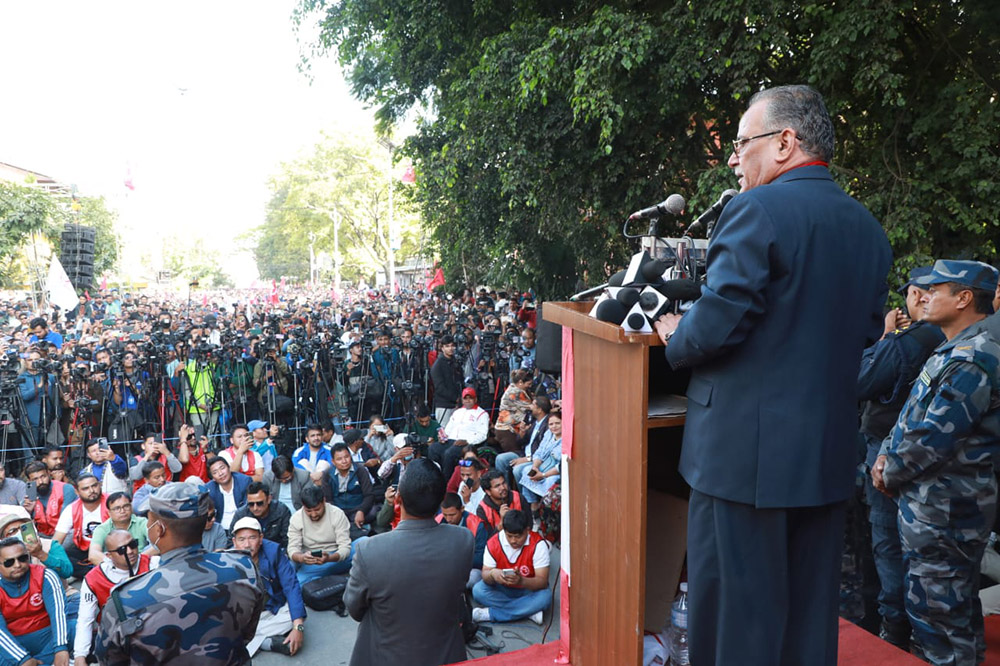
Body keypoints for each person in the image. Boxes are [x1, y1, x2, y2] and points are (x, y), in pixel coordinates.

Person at [652, 85, 892, 666]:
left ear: (785, 142)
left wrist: (674, 333)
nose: (734, 159)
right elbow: (864, 333)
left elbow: (714, 327)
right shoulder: (867, 229)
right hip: (824, 458)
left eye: (741, 143)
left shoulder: (756, 210)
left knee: (736, 622)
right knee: (808, 622)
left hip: (740, 465)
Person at [872, 260, 1000, 666]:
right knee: (942, 616)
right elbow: (912, 416)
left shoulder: (974, 358)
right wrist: (883, 458)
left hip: (947, 513)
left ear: (964, 298)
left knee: (942, 626)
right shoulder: (954, 347)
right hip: (932, 510)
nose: (921, 297)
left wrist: (887, 469)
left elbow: (933, 438)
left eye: (935, 290)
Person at [856, 265, 944, 649]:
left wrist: (887, 336)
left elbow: (862, 380)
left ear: (919, 296)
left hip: (890, 451)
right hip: (929, 455)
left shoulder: (913, 337)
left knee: (887, 540)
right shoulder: (958, 336)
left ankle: (893, 629)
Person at [95, 482, 265, 665]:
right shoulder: (244, 568)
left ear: (159, 529)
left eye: (149, 520)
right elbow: (247, 633)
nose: (148, 525)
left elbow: (110, 660)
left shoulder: (125, 602)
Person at [345, 458, 473, 666]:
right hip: (445, 652)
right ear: (442, 501)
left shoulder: (369, 550)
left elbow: (355, 609)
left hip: (385, 655)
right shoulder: (464, 540)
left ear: (399, 499)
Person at [74, 529, 157, 666]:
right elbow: (85, 620)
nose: (130, 551)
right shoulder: (93, 579)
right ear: (109, 556)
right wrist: (80, 655)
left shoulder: (154, 564)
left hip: (151, 630)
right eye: (122, 550)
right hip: (116, 638)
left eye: (133, 544)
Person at [230, 517, 306, 657]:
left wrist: (299, 627)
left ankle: (251, 642)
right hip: (245, 616)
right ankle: (266, 642)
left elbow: (291, 586)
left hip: (272, 609)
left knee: (295, 616)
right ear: (234, 542)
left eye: (252, 538)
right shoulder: (227, 560)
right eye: (241, 539)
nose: (247, 544)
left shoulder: (273, 551)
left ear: (261, 538)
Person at [472, 507, 550, 625]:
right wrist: (493, 574)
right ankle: (528, 610)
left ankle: (491, 614)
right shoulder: (493, 543)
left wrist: (521, 581)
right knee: (478, 591)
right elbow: (485, 574)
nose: (513, 541)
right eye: (509, 536)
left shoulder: (538, 544)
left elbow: (542, 582)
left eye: (518, 536)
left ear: (527, 530)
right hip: (502, 588)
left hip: (527, 589)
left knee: (545, 596)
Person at [0, 537, 69, 666]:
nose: (18, 565)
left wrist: (61, 648)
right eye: (9, 562)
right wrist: (23, 659)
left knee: (74, 627)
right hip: (13, 641)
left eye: (22, 558)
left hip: (48, 636)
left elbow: (58, 615)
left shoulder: (46, 576)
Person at [287, 484, 358, 585]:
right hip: (311, 562)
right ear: (303, 505)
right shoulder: (296, 519)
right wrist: (302, 557)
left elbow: (345, 548)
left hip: (335, 557)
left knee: (364, 543)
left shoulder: (337, 514)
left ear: (324, 501)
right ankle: (321, 575)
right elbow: (293, 549)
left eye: (317, 509)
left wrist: (329, 558)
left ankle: (321, 574)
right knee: (297, 583)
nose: (313, 514)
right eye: (308, 511)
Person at [52, 473, 107, 579]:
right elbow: (56, 542)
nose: (91, 491)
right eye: (86, 488)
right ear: (77, 492)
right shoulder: (71, 509)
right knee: (61, 554)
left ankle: (93, 573)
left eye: (94, 486)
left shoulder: (111, 502)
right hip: (85, 549)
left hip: (109, 548)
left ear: (100, 485)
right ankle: (94, 572)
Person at [495, 395, 550, 486]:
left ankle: (523, 498)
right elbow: (521, 442)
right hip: (524, 453)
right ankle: (505, 489)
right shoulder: (533, 421)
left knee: (518, 470)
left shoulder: (548, 425)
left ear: (540, 409)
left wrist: (526, 459)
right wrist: (522, 432)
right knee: (500, 459)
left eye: (533, 404)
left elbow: (543, 451)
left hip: (536, 459)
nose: (530, 407)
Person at [438, 492, 488, 589]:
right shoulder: (438, 521)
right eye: (445, 514)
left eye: (452, 515)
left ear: (462, 509)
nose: (448, 519)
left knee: (472, 579)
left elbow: (481, 557)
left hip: (470, 569)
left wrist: (457, 561)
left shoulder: (477, 525)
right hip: (443, 568)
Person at [325, 443, 377, 535]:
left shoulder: (360, 470)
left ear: (351, 457)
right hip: (338, 510)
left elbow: (369, 495)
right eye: (339, 459)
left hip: (357, 508)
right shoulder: (327, 474)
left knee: (373, 511)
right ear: (333, 461)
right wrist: (339, 514)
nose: (344, 461)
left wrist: (361, 511)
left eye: (346, 457)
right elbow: (328, 499)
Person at [517, 410, 563, 511]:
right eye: (551, 424)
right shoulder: (548, 434)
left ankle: (544, 506)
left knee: (551, 481)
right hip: (542, 465)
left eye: (557, 423)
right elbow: (539, 453)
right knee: (527, 471)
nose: (554, 426)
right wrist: (535, 467)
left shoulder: (565, 439)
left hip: (555, 471)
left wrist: (543, 475)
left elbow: (560, 466)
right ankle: (533, 504)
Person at [87, 492, 148, 566]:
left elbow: (158, 544)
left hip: (142, 564)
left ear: (131, 507)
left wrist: (137, 561)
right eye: (117, 508)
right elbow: (93, 554)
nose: (122, 511)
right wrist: (118, 567)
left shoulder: (142, 522)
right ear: (109, 512)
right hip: (115, 569)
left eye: (126, 506)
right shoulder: (102, 529)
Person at [230, 481, 292, 549]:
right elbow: (231, 541)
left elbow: (287, 540)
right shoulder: (241, 514)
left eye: (259, 503)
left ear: (269, 499)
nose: (255, 508)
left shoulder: (281, 511)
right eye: (251, 504)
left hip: (275, 553)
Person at [23, 462, 76, 537]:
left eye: (43, 476)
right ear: (29, 481)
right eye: (35, 479)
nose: (40, 482)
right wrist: (28, 511)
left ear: (48, 473)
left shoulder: (66, 488)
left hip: (65, 533)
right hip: (42, 534)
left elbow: (66, 521)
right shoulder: (30, 492)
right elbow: (24, 525)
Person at [205, 456, 252, 532]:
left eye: (222, 468)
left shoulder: (244, 481)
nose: (220, 473)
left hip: (242, 526)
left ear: (229, 467)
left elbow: (248, 509)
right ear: (213, 478)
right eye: (215, 472)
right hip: (220, 529)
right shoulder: (209, 489)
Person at [493, 369, 534, 453]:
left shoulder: (520, 390)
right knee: (515, 455)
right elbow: (532, 406)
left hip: (513, 428)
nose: (530, 386)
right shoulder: (515, 392)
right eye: (528, 384)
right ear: (520, 382)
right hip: (507, 430)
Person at [476, 470, 525, 537]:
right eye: (497, 486)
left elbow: (528, 525)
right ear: (488, 492)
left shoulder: (518, 497)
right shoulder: (482, 510)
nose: (503, 488)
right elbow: (487, 539)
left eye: (504, 483)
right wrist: (501, 523)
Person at [430, 335, 461, 426]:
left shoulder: (455, 362)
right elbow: (439, 387)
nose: (450, 348)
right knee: (445, 433)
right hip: (443, 405)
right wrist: (455, 398)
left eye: (452, 346)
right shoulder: (437, 365)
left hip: (457, 404)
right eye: (447, 346)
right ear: (442, 348)